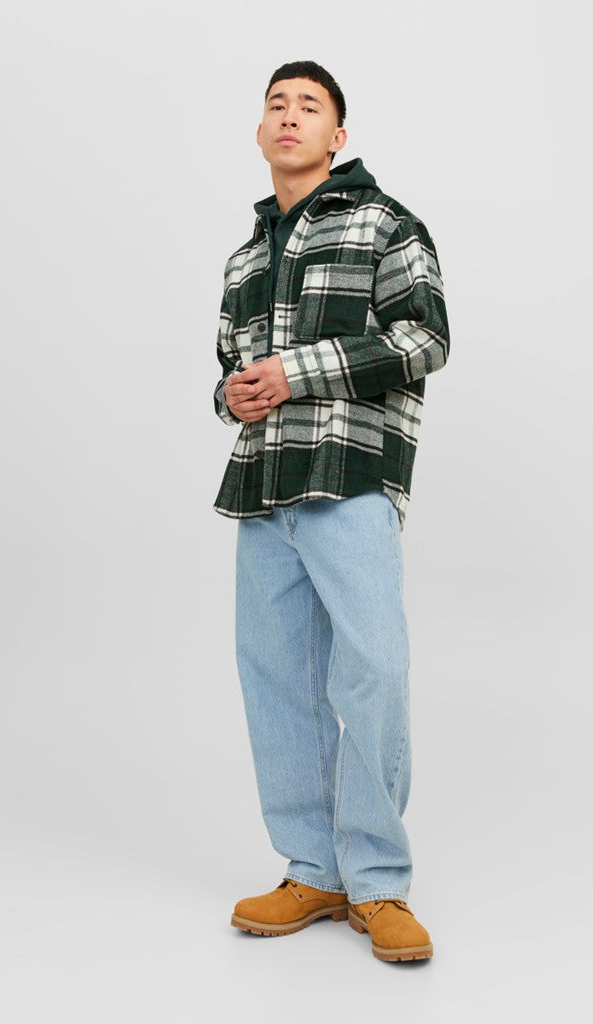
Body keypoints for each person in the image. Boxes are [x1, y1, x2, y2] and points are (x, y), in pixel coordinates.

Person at [211, 60, 449, 963]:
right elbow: (230, 370)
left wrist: (297, 371)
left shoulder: (386, 223)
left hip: (350, 477)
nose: (289, 116)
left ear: (337, 135)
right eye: (276, 105)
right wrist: (231, 395)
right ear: (259, 131)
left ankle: (378, 881)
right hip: (264, 486)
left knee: (372, 672)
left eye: (309, 106)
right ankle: (314, 869)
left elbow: (425, 338)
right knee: (277, 682)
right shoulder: (244, 258)